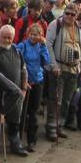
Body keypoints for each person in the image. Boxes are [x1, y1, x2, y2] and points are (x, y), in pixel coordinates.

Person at [46, 1, 81, 140]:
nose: (69, 16)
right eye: (67, 13)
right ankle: (51, 126)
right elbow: (48, 46)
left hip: (74, 69)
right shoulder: (55, 25)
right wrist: (53, 66)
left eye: (72, 14)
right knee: (55, 99)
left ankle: (60, 125)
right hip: (59, 67)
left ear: (77, 15)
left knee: (67, 99)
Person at [0, 24, 28, 156]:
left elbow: (23, 70)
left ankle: (15, 143)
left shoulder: (17, 50)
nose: (7, 40)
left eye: (9, 37)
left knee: (15, 119)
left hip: (16, 93)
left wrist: (24, 87)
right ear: (0, 36)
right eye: (4, 37)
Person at [16, 23, 51, 151]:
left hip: (37, 82)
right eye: (31, 34)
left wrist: (43, 46)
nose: (33, 37)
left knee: (33, 113)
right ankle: (17, 139)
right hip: (24, 83)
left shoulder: (41, 46)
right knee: (21, 112)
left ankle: (32, 141)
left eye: (36, 35)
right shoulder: (22, 45)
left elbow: (46, 62)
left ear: (41, 36)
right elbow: (17, 59)